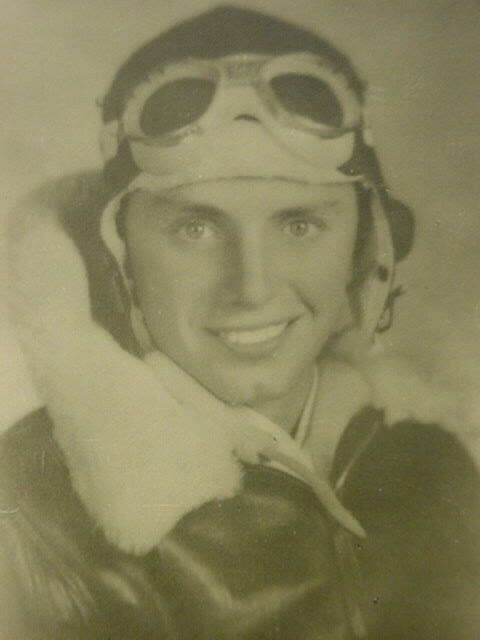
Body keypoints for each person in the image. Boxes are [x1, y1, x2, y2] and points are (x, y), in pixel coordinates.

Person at [2, 5, 480, 639]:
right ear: (119, 259)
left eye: (299, 225)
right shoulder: (28, 518)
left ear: (365, 250)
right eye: (195, 228)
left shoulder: (429, 462)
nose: (252, 288)